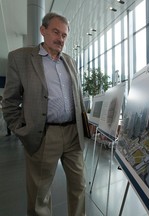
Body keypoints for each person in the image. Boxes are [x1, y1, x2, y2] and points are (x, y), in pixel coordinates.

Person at [2, 12, 86, 216]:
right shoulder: (20, 58)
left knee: (80, 186)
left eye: (64, 35)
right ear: (43, 31)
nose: (60, 39)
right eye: (56, 32)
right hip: (44, 135)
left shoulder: (70, 61)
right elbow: (10, 101)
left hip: (73, 133)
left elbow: (78, 96)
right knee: (40, 195)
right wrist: (21, 129)